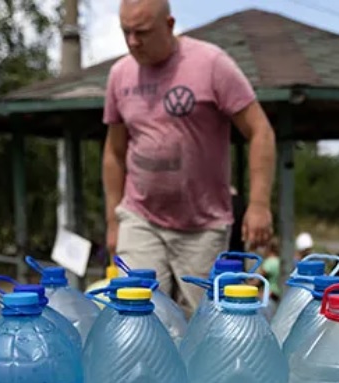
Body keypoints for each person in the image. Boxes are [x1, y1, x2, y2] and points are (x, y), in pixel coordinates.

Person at [102, 0, 276, 317]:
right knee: (135, 314)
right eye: (126, 32)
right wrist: (113, 222)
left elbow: (260, 131)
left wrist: (259, 204)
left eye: (142, 32)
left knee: (205, 321)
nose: (132, 42)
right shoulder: (120, 75)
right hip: (140, 217)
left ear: (169, 25)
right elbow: (114, 152)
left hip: (203, 227)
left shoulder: (211, 64)